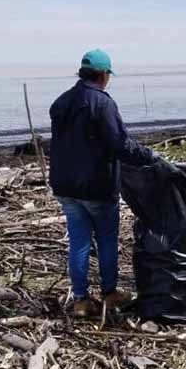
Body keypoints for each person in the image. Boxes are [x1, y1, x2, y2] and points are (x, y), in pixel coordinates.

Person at [49, 49, 157, 317]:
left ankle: (81, 300)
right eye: (108, 75)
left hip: (65, 186)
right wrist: (150, 156)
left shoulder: (60, 102)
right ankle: (109, 293)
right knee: (107, 239)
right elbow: (120, 145)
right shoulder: (103, 103)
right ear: (103, 74)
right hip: (96, 187)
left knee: (79, 242)